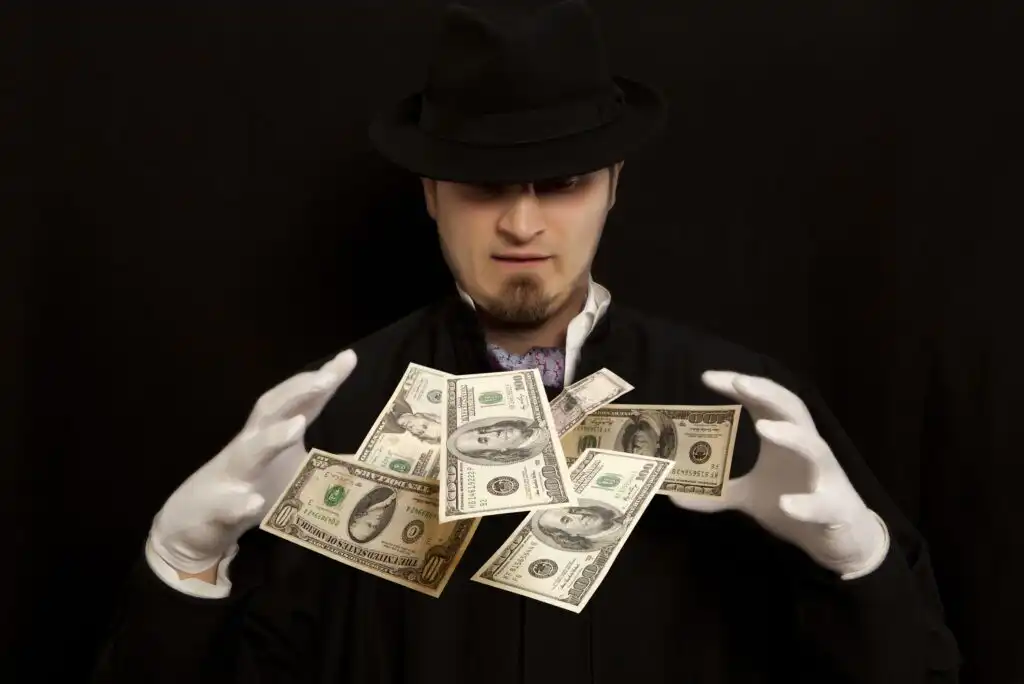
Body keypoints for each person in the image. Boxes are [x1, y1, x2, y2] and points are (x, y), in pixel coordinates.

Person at [91, 1, 961, 682]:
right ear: (430, 191)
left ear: (613, 186)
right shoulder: (332, 416)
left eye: (564, 182)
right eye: (481, 185)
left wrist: (860, 568)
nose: (520, 222)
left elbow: (917, 670)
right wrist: (183, 574)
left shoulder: (739, 410)